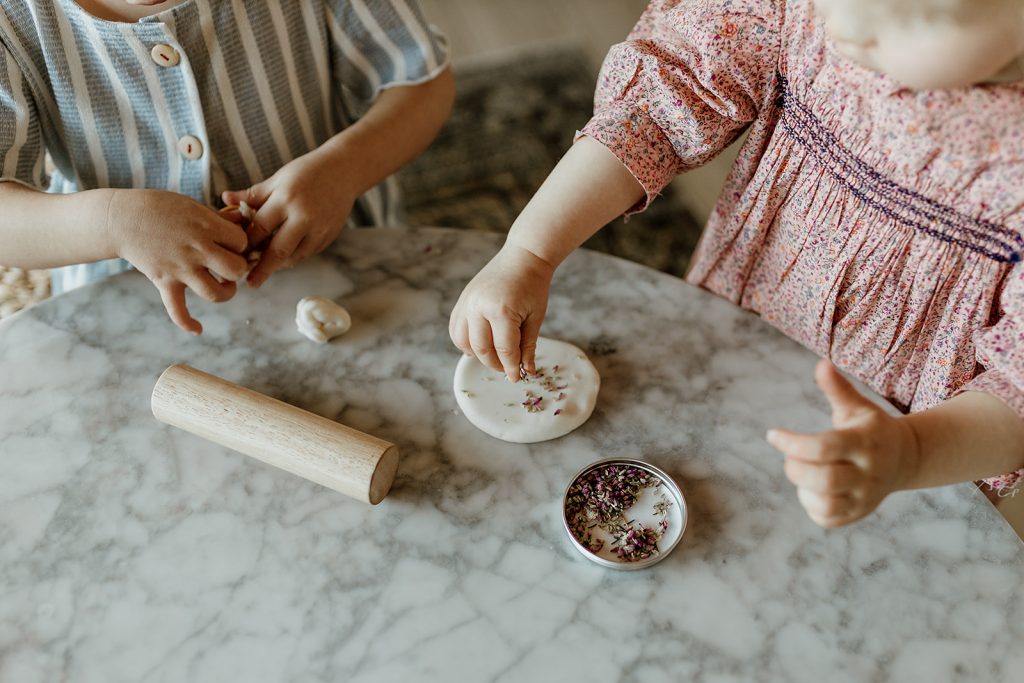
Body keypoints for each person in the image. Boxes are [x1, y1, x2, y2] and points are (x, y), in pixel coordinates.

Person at [448, 0, 1024, 527]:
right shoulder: (808, 13)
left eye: (915, 14)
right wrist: (530, 250)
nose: (845, 26)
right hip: (730, 345)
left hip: (912, 461)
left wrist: (911, 454)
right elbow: (667, 95)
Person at [0, 0, 454, 334]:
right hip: (121, 299)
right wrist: (117, 224)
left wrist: (344, 170)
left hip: (338, 248)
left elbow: (422, 82)